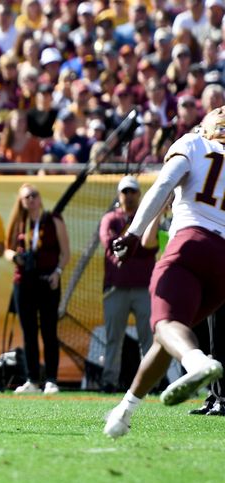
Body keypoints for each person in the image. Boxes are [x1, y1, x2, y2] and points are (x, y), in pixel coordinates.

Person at [104, 106, 225, 438]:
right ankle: (125, 410)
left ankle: (197, 362)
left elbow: (162, 186)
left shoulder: (196, 145)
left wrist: (132, 232)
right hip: (222, 268)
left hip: (191, 243)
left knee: (165, 324)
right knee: (167, 334)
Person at [4, 184, 70, 395]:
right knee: (29, 332)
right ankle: (32, 380)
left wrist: (57, 273)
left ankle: (51, 379)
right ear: (21, 202)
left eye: (34, 195)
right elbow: (6, 249)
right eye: (26, 197)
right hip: (23, 283)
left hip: (47, 280)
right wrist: (15, 257)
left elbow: (65, 253)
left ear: (40, 199)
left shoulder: (53, 220)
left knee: (49, 331)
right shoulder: (19, 222)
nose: (31, 200)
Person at [98, 176, 159, 392]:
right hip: (116, 288)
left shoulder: (148, 218)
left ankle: (150, 382)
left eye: (133, 192)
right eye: (125, 192)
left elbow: (150, 247)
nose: (129, 196)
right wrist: (133, 239)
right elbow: (111, 244)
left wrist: (129, 243)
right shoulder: (110, 219)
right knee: (114, 339)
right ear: (118, 194)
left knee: (148, 339)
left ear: (139, 195)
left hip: (144, 287)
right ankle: (109, 381)